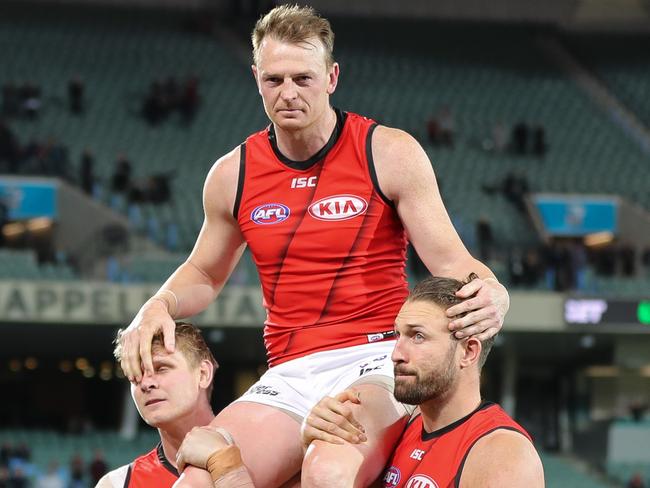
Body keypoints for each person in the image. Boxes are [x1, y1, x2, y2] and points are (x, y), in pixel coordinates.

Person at [117, 5, 510, 487]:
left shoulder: (387, 151)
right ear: (256, 78)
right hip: (289, 370)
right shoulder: (232, 174)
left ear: (332, 77)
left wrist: (495, 290)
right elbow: (205, 272)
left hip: (373, 359)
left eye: (303, 78)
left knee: (328, 470)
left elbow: (451, 261)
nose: (288, 94)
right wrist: (160, 303)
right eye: (275, 79)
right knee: (197, 481)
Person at [302, 274, 544, 487]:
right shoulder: (398, 431)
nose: (396, 354)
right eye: (398, 335)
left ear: (468, 352)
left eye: (418, 336)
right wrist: (316, 446)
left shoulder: (502, 453)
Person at [96, 322, 218, 487]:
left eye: (161, 368)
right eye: (136, 374)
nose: (146, 383)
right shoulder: (117, 484)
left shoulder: (259, 459)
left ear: (203, 374)